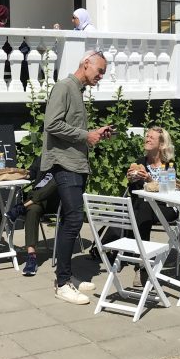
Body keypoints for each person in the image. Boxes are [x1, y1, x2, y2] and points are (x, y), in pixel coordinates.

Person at [42, 50, 113, 304]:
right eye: (100, 71)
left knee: (68, 221)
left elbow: (69, 128)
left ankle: (66, 276)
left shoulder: (77, 91)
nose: (101, 77)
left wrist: (93, 133)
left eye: (103, 72)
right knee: (73, 220)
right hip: (65, 165)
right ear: (86, 64)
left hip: (75, 164)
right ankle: (62, 283)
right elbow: (51, 124)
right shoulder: (64, 87)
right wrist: (86, 136)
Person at [122, 126, 180, 288]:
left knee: (143, 207)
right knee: (143, 205)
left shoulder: (169, 165)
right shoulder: (139, 163)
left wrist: (148, 180)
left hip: (165, 208)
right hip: (145, 209)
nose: (147, 139)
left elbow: (169, 192)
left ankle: (140, 262)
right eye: (146, 136)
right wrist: (132, 180)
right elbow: (135, 193)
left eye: (151, 138)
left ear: (161, 145)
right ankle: (143, 263)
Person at [5, 156, 59, 277]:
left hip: (54, 200)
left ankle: (22, 207)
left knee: (50, 188)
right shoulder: (44, 156)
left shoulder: (64, 158)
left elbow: (57, 184)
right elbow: (33, 172)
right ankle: (31, 256)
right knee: (33, 210)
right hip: (36, 200)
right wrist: (23, 174)